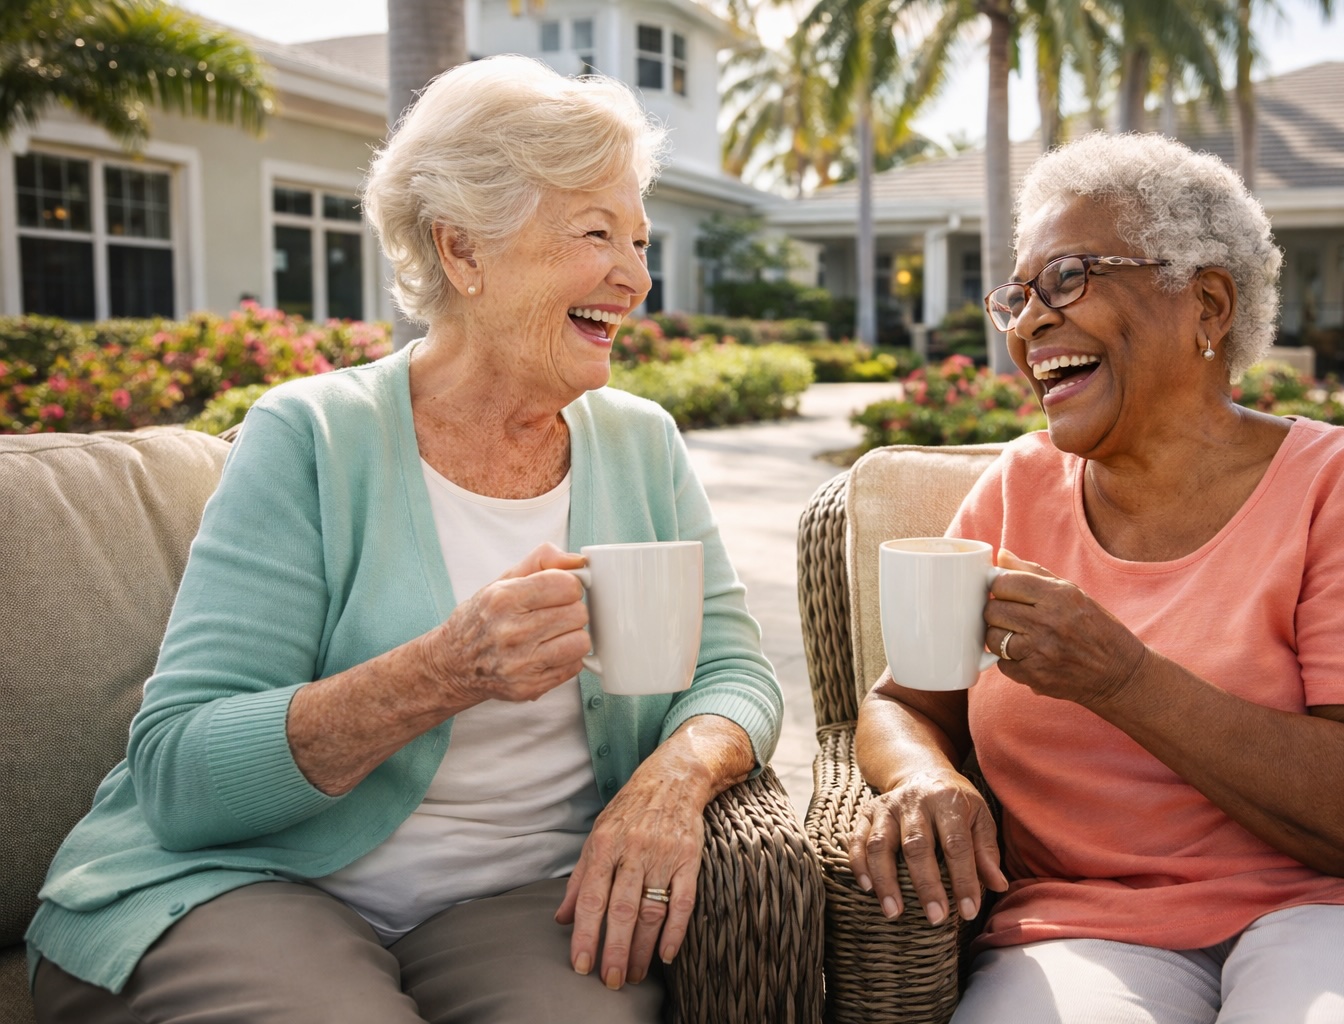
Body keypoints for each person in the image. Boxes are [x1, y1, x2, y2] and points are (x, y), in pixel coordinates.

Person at [28, 55, 781, 1024]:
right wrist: (443, 670)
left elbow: (737, 670)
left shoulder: (641, 445)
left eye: (638, 240)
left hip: (522, 905)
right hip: (250, 885)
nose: (635, 276)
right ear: (462, 250)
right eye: (596, 233)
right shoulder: (309, 436)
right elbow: (179, 768)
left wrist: (674, 775)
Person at [847, 133, 1344, 1023]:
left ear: (1207, 302)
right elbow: (904, 700)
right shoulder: (1015, 490)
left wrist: (1123, 679)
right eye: (1017, 298)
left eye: (1066, 279)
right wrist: (920, 776)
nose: (1028, 323)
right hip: (1092, 930)